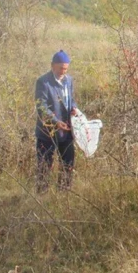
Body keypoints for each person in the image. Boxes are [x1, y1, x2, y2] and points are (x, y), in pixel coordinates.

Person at [35, 50, 79, 193]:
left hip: (66, 131)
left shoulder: (69, 80)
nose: (63, 71)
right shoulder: (43, 82)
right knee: (44, 165)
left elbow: (71, 100)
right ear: (52, 66)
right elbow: (41, 106)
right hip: (48, 131)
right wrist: (55, 121)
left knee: (68, 163)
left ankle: (63, 193)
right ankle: (42, 196)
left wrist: (74, 108)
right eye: (60, 68)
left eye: (65, 69)